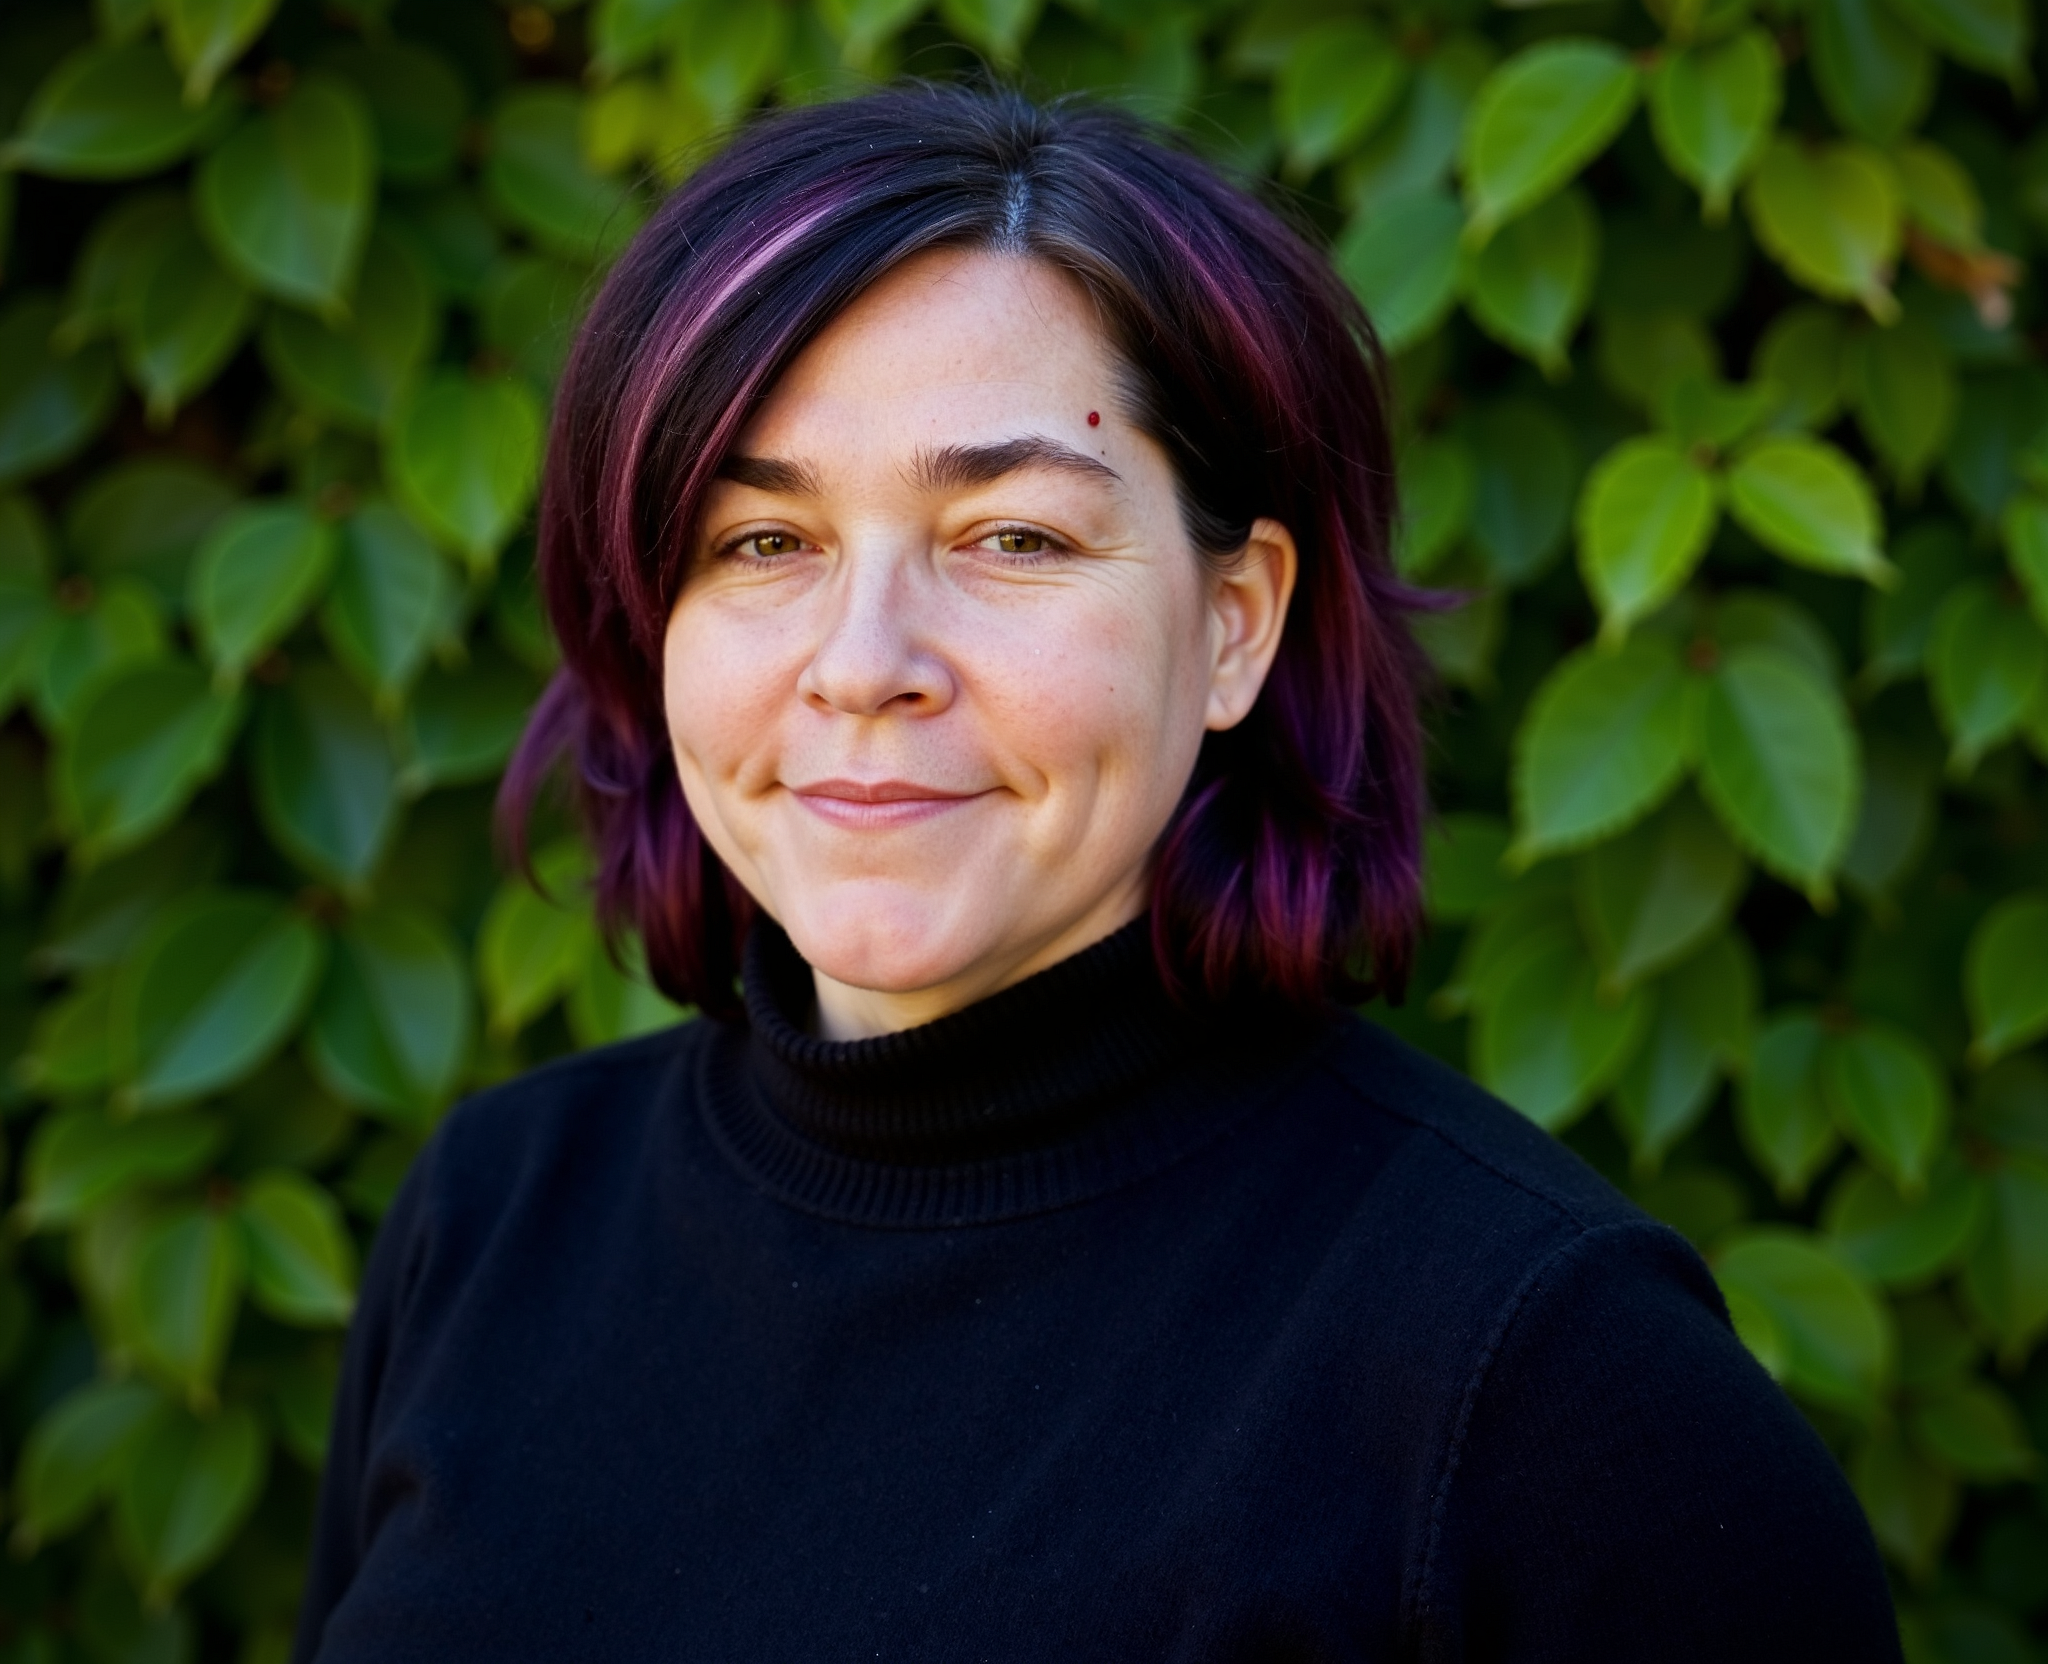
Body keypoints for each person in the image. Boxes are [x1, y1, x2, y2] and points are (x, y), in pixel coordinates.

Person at [293, 84, 1901, 1662]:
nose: (864, 667)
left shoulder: (1548, 1388)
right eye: (760, 543)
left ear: (1234, 623)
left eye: (1013, 538)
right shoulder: (494, 1217)